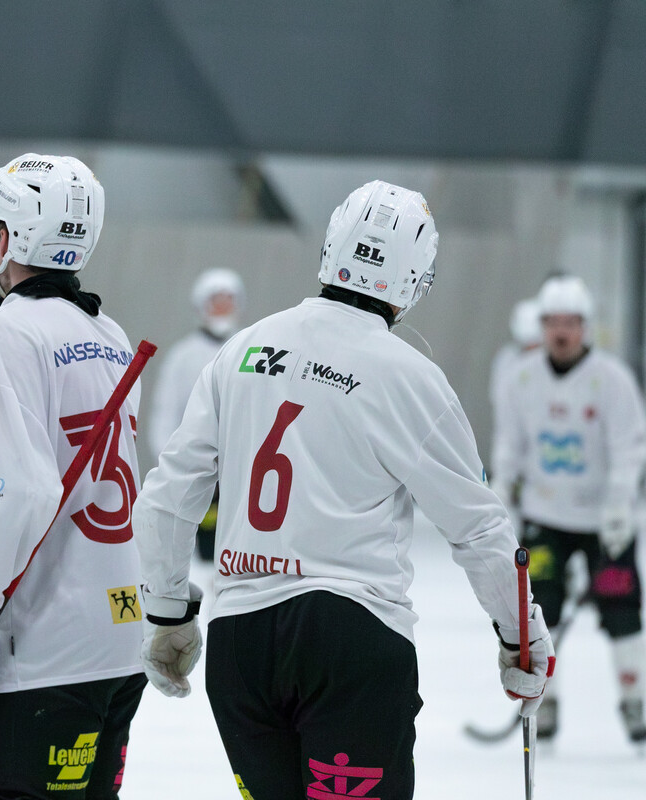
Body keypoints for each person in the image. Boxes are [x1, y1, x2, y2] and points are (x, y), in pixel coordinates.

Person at [132, 180, 554, 800]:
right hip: (352, 636)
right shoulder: (411, 376)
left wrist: (168, 612)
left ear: (333, 246)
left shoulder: (243, 349)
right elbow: (477, 527)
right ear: (415, 277)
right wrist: (521, 634)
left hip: (242, 642)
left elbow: (167, 498)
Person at [0, 154, 147, 799]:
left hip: (46, 646)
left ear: (7, 236)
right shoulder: (108, 331)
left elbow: (11, 487)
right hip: (118, 634)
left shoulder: (7, 330)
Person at [491, 274, 646, 744]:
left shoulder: (611, 380)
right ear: (541, 326)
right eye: (553, 322)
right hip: (545, 516)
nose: (561, 332)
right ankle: (547, 700)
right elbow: (509, 447)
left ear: (585, 326)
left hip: (604, 521)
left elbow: (629, 447)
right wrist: (503, 497)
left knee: (621, 607)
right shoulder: (520, 378)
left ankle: (634, 698)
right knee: (541, 608)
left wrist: (620, 505)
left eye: (570, 322)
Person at [147, 267, 245, 562]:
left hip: (237, 474)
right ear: (202, 304)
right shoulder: (183, 356)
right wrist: (170, 466)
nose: (223, 307)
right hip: (193, 470)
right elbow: (165, 413)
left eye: (229, 300)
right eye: (216, 300)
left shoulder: (248, 350)